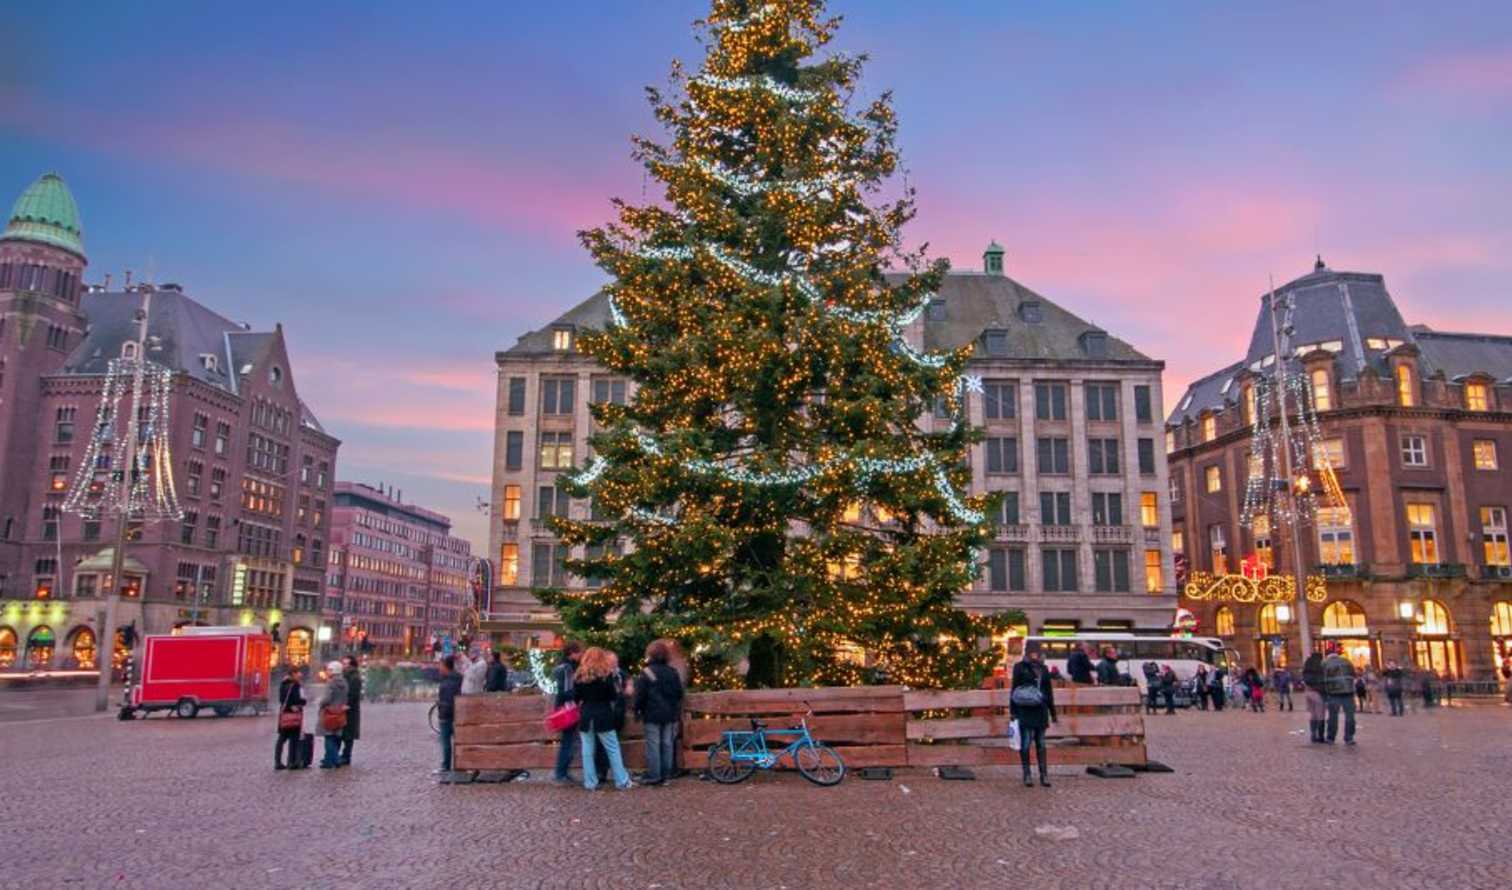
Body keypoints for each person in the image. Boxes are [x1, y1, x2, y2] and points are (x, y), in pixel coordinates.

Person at [572, 647, 634, 791]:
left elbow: (575, 698)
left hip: (586, 715)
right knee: (612, 748)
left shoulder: (579, 676)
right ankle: (622, 781)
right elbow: (613, 696)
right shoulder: (607, 675)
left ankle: (590, 782)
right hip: (603, 715)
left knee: (587, 751)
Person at [633, 639, 685, 786]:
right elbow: (679, 693)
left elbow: (640, 695)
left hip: (652, 713)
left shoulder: (646, 672)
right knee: (667, 743)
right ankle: (666, 774)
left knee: (653, 745)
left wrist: (637, 709)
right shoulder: (672, 672)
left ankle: (654, 775)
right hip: (670, 713)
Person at [1010, 640, 1058, 787]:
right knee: (1025, 744)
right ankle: (1027, 775)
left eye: (1036, 651)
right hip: (1025, 710)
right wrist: (1013, 711)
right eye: (1032, 651)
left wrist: (1053, 712)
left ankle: (1044, 775)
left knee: (1041, 744)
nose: (1034, 654)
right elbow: (1014, 690)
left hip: (1041, 711)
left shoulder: (1044, 668)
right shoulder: (1019, 667)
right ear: (1027, 651)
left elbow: (1048, 692)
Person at [551, 642, 584, 784]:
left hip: (564, 707)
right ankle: (561, 773)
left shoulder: (562, 666)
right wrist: (576, 700)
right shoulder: (567, 668)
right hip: (568, 708)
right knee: (568, 741)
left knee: (568, 741)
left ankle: (562, 772)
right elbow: (566, 690)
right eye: (579, 652)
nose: (581, 655)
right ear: (572, 652)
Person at [1322, 643, 1357, 746]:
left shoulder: (1325, 663)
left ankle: (1331, 737)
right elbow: (1353, 674)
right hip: (1348, 692)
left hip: (1333, 692)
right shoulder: (1347, 661)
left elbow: (1323, 678)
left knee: (1333, 716)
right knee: (1350, 716)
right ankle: (1349, 737)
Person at [318, 661, 349, 769]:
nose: (327, 672)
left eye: (329, 670)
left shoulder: (330, 683)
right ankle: (328, 761)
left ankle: (335, 759)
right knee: (336, 737)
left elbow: (327, 699)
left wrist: (320, 703)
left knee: (329, 737)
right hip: (340, 713)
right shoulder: (344, 683)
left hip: (329, 713)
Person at [274, 666, 306, 770]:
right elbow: (299, 699)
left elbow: (281, 699)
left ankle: (277, 761)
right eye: (298, 673)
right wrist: (301, 703)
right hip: (294, 716)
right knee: (294, 738)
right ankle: (291, 762)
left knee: (281, 738)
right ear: (293, 673)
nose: (300, 675)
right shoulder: (296, 685)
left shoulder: (283, 684)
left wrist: (288, 706)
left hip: (284, 715)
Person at [435, 655, 462, 774]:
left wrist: (442, 709)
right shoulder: (457, 678)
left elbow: (448, 700)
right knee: (457, 741)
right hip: (456, 714)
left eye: (440, 665)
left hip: (447, 715)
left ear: (446, 667)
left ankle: (446, 766)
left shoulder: (448, 681)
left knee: (446, 742)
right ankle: (458, 764)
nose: (439, 668)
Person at [339, 655, 362, 767]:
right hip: (343, 707)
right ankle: (340, 755)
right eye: (343, 663)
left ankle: (346, 756)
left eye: (346, 664)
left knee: (348, 734)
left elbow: (353, 693)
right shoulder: (344, 676)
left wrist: (347, 704)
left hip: (350, 710)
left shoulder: (354, 677)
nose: (343, 666)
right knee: (341, 732)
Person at [1302, 649, 1327, 743]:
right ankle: (1320, 736)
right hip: (1318, 693)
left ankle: (1313, 734)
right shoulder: (1320, 667)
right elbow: (1322, 682)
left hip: (1308, 693)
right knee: (1321, 715)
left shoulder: (1307, 667)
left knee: (1313, 715)